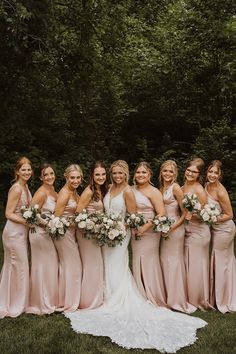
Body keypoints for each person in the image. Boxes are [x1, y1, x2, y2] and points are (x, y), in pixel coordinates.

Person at [65, 160, 207, 353]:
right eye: (114, 173)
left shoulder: (128, 192)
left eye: (120, 174)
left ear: (126, 174)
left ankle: (116, 298)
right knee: (107, 264)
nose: (117, 176)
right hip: (106, 234)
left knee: (117, 265)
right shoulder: (109, 189)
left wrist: (122, 228)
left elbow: (131, 217)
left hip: (120, 235)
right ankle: (104, 295)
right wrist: (104, 226)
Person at [159, 160, 196, 313]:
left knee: (174, 262)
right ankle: (167, 296)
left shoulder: (175, 188)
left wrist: (172, 227)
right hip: (164, 228)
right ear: (161, 172)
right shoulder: (161, 188)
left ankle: (176, 299)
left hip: (175, 228)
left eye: (171, 172)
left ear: (175, 174)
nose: (167, 174)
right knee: (164, 261)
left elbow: (185, 212)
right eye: (165, 171)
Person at [0, 157, 32, 318]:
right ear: (17, 171)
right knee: (19, 267)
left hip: (21, 233)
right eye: (23, 170)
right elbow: (8, 213)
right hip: (13, 233)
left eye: (28, 169)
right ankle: (14, 304)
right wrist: (27, 222)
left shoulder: (25, 187)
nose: (27, 172)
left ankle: (16, 299)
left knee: (18, 267)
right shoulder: (17, 189)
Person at [131, 161, 167, 306]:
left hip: (150, 232)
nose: (140, 175)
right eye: (138, 172)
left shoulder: (154, 191)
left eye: (144, 172)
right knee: (137, 259)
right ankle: (139, 292)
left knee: (149, 261)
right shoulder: (131, 190)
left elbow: (161, 213)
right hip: (135, 231)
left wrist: (145, 228)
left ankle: (153, 293)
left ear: (150, 174)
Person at [26, 163, 59, 315]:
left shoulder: (52, 190)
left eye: (51, 173)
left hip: (46, 232)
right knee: (42, 266)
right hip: (39, 233)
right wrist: (48, 223)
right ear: (41, 177)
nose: (49, 177)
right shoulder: (41, 193)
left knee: (49, 265)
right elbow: (32, 214)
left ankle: (48, 299)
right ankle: (40, 302)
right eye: (46, 175)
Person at [76, 161, 107, 309]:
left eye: (103, 174)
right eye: (97, 174)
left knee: (97, 264)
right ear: (92, 176)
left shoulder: (102, 190)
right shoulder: (88, 191)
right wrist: (91, 226)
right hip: (86, 234)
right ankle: (89, 301)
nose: (100, 177)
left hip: (97, 233)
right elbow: (78, 213)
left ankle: (96, 297)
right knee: (92, 265)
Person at [182, 157, 212, 310]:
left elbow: (206, 214)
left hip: (199, 232)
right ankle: (188, 296)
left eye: (194, 172)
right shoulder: (182, 187)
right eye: (189, 170)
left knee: (196, 266)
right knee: (189, 265)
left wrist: (192, 215)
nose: (190, 173)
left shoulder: (199, 189)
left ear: (199, 175)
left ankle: (197, 300)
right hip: (186, 231)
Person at [205, 160, 236, 313]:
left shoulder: (220, 191)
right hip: (216, 229)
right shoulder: (206, 186)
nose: (212, 175)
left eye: (215, 173)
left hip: (225, 229)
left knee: (221, 263)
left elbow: (230, 214)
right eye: (210, 171)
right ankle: (219, 296)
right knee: (221, 262)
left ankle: (222, 300)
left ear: (220, 174)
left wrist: (213, 219)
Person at [54, 164, 82, 312]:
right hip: (63, 233)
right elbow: (57, 218)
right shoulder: (65, 193)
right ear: (66, 177)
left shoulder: (74, 191)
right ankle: (70, 302)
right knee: (73, 265)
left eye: (78, 177)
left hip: (71, 233)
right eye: (72, 178)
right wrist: (78, 223)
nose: (75, 180)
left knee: (69, 266)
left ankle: (66, 298)